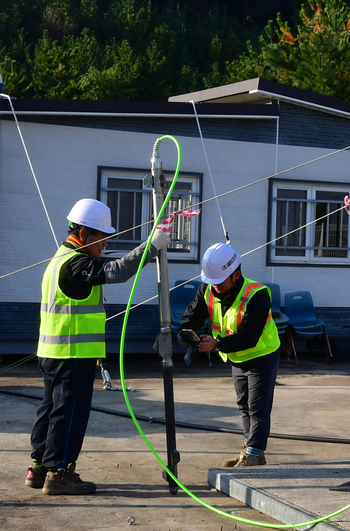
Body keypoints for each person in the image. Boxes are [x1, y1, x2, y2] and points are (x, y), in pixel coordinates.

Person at [31, 198, 170, 495]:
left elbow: (108, 264)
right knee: (68, 414)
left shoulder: (59, 259)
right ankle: (59, 473)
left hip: (52, 352)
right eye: (103, 237)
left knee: (50, 409)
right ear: (83, 234)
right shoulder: (75, 265)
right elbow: (117, 271)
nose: (105, 244)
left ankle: (39, 466)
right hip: (72, 354)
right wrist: (151, 247)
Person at [180, 243, 281, 468]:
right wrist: (186, 333)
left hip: (261, 354)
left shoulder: (258, 295)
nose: (214, 287)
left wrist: (217, 344)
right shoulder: (208, 288)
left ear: (236, 275)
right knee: (244, 404)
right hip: (236, 356)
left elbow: (249, 337)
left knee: (258, 406)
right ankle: (252, 450)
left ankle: (253, 453)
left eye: (218, 282)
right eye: (211, 282)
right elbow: (192, 315)